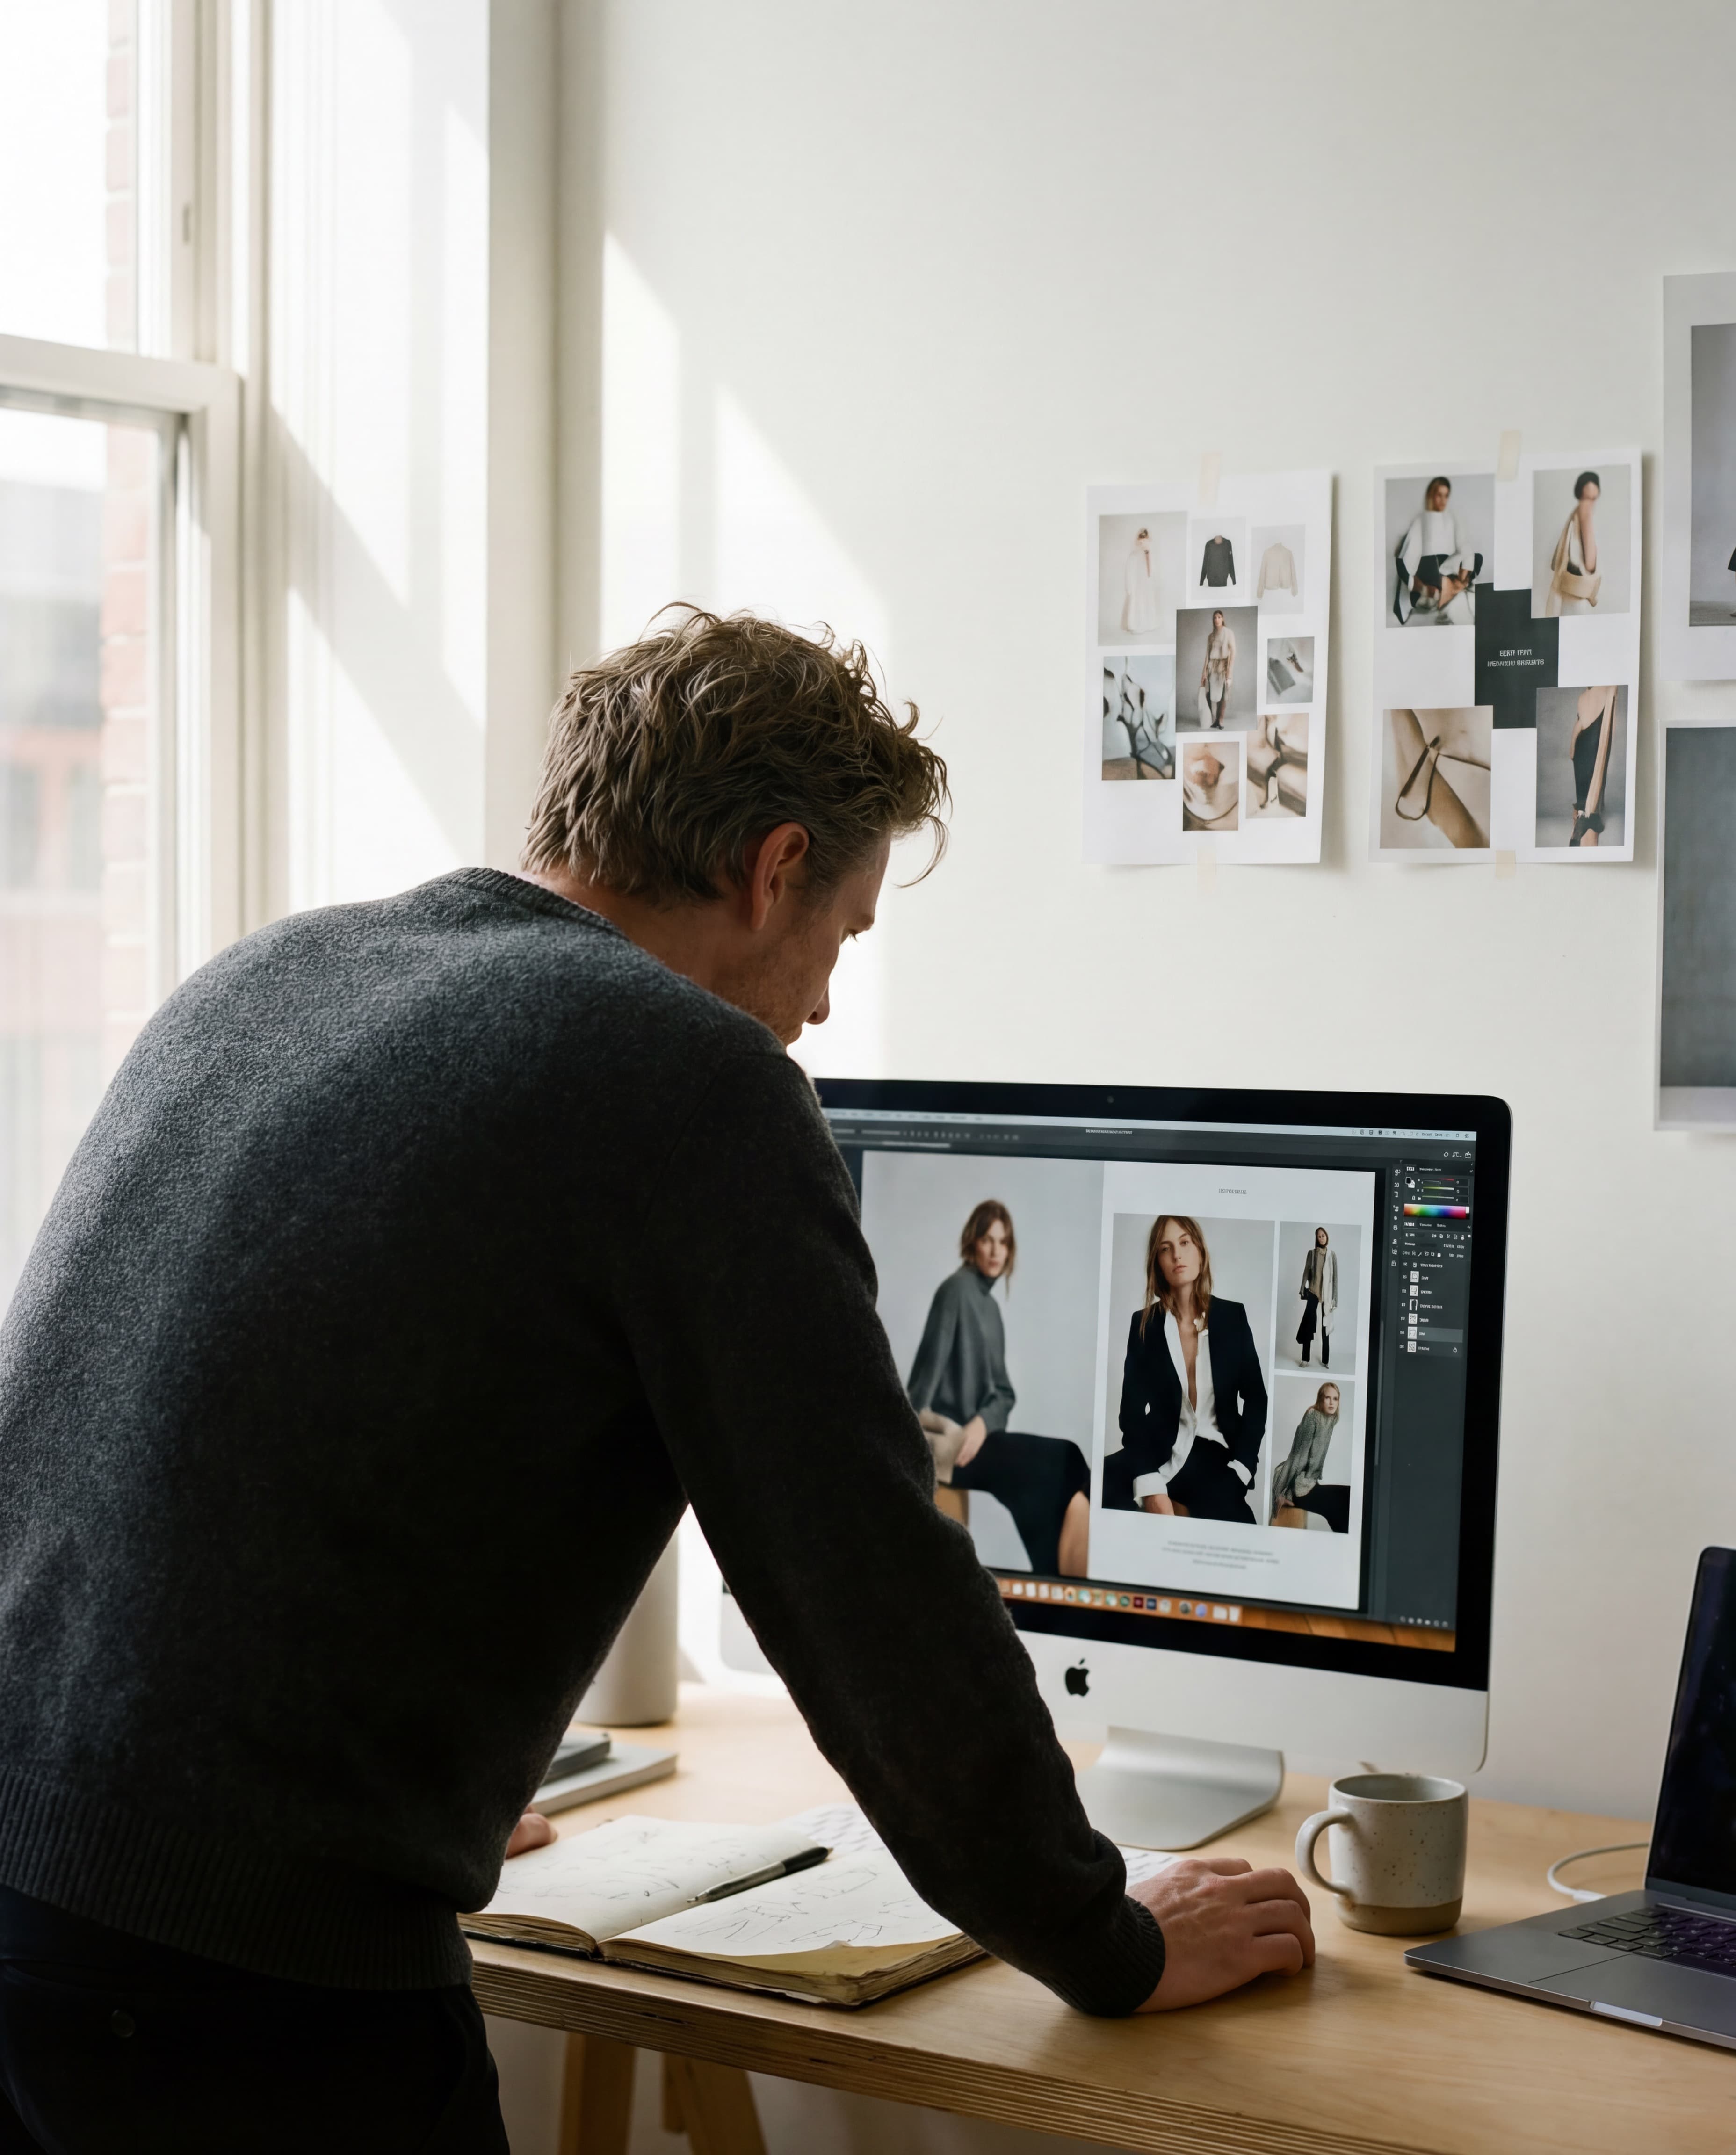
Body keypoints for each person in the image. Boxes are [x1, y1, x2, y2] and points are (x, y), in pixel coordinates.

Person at [0, 608, 1313, 2150]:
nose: (822, 999)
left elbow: (168, 1429)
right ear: (771, 869)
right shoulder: (687, 1077)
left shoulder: (273, 972)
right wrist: (1113, 1937)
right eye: (844, 932)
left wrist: (423, 1783)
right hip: (239, 1990)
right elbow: (867, 1583)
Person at [908, 1200, 1091, 1577]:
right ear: (972, 1242)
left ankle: (1056, 1583)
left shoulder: (990, 1307)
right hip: (950, 1448)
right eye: (988, 1240)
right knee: (1065, 1460)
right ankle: (1059, 1586)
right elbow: (919, 1390)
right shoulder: (955, 1291)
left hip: (979, 1439)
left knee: (1052, 1479)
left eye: (1004, 1242)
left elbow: (1004, 1394)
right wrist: (916, 1448)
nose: (996, 1251)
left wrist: (980, 1425)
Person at [1113, 1216, 1267, 1524]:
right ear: (1157, 1262)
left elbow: (1257, 1399)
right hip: (1157, 1451)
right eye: (1165, 1249)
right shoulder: (1144, 1324)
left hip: (1215, 1458)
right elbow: (1130, 1414)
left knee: (1239, 1531)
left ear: (1200, 1251)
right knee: (1090, 1489)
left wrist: (1242, 1468)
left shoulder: (1232, 1318)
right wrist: (1150, 1485)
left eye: (1185, 1243)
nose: (1177, 1256)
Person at [1393, 477, 1482, 626]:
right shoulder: (1421, 521)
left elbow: (1464, 547)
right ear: (1432, 496)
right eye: (1439, 495)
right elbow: (1403, 562)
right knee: (1434, 570)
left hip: (1443, 568)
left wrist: (1462, 575)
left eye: (1446, 496)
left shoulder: (1450, 520)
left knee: (1476, 558)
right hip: (1425, 575)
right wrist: (1423, 589)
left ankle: (1452, 590)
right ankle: (1448, 592)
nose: (1443, 500)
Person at [1270, 1383, 1348, 1533]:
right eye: (1328, 1398)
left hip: (1312, 1486)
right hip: (1300, 1490)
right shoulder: (1313, 1415)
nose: (1332, 1402)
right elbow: (1298, 1456)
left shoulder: (1332, 1419)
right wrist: (1285, 1493)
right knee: (1344, 1501)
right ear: (1321, 1399)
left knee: (1341, 1509)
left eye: (1336, 1399)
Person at [1543, 472, 1601, 618]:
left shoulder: (1574, 513)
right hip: (1576, 598)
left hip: (1564, 595)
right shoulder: (1585, 509)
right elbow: (1589, 564)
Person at [1568, 685, 1617, 848]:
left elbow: (1581, 726)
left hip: (1587, 747)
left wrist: (1573, 747)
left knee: (1588, 794)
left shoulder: (1601, 691)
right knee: (1588, 796)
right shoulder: (1601, 691)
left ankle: (1583, 827)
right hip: (1587, 748)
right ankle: (1583, 825)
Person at [1295, 1226, 1337, 1368]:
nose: (1321, 1238)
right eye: (1319, 1236)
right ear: (1317, 1239)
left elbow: (1335, 1279)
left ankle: (1326, 1361)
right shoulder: (1311, 1254)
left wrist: (1334, 1299)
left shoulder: (1332, 1255)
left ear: (1327, 1237)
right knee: (1308, 1325)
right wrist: (1302, 1288)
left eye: (1323, 1235)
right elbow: (1306, 1272)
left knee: (1325, 1327)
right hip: (1313, 1292)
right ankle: (1305, 1359)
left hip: (1326, 1295)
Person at [1123, 528, 1163, 636]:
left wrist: (1154, 581)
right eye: (1141, 542)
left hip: (1148, 584)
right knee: (1139, 604)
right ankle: (1137, 626)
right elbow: (1129, 572)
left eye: (1145, 541)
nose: (1143, 544)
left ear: (1149, 541)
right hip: (1138, 586)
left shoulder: (1152, 555)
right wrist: (1130, 587)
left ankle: (1149, 624)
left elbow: (1154, 571)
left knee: (1149, 603)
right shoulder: (1134, 556)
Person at [1200, 608, 1236, 728]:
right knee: (1210, 694)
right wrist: (1204, 673)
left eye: (1219, 617)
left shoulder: (1229, 633)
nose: (1217, 620)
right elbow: (1207, 655)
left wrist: (1229, 672)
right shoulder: (1211, 637)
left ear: (1223, 619)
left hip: (1223, 667)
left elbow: (1234, 651)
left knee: (1224, 694)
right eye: (1215, 618)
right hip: (1212, 667)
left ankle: (1220, 720)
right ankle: (1214, 719)